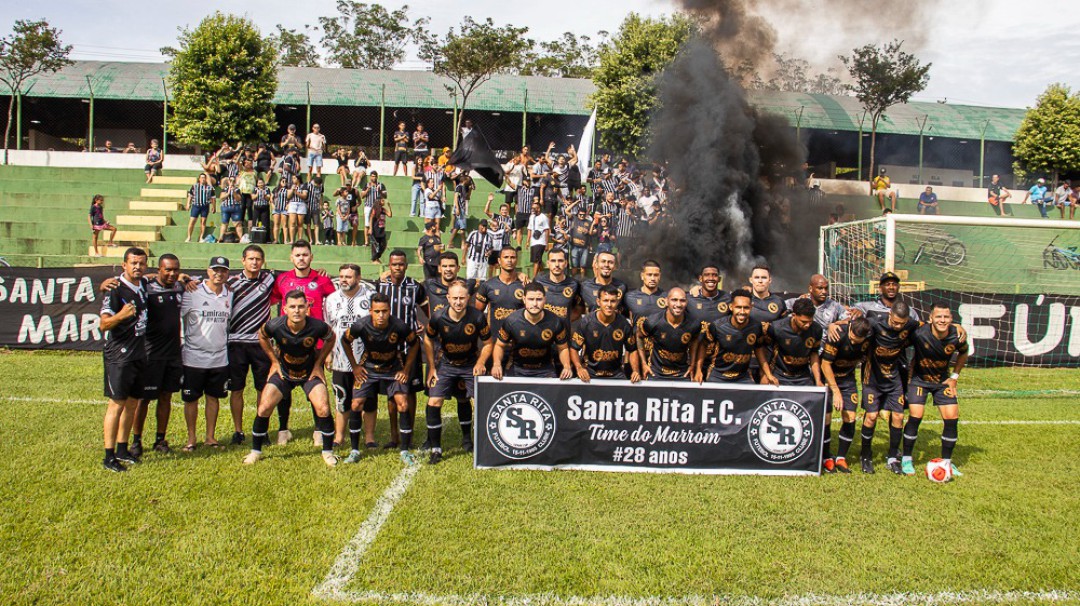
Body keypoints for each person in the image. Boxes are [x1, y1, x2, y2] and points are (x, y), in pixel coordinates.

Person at [245, 291, 338, 467]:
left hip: (309, 373)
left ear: (307, 308)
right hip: (284, 374)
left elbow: (331, 337)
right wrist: (274, 361)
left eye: (301, 306)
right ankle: (255, 451)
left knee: (323, 408)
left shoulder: (317, 326)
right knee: (264, 407)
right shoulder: (275, 325)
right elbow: (262, 336)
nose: (297, 311)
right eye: (293, 307)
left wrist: (318, 364)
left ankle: (327, 452)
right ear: (285, 308)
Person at [341, 293, 421, 464]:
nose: (381, 315)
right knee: (356, 403)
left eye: (384, 311)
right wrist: (355, 367)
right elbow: (345, 341)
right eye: (377, 311)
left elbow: (415, 343)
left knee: (403, 403)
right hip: (368, 368)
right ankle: (354, 450)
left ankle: (405, 451)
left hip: (393, 368)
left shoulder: (399, 325)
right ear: (370, 311)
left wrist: (406, 370)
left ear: (389, 311)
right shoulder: (360, 325)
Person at [270, 241, 337, 444]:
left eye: (305, 255)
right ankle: (283, 429)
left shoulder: (322, 280)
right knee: (284, 387)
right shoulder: (282, 280)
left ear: (311, 257)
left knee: (315, 388)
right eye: (297, 255)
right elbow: (270, 302)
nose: (301, 258)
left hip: (314, 346)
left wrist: (329, 350)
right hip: (287, 345)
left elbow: (334, 307)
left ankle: (318, 429)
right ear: (291, 257)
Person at [423, 281, 493, 462]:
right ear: (448, 298)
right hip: (446, 364)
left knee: (478, 401)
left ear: (468, 298)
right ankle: (436, 448)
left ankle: (473, 441)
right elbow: (428, 340)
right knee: (434, 401)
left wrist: (481, 362)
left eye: (462, 298)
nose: (458, 302)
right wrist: (431, 367)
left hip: (470, 364)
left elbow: (488, 343)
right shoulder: (438, 317)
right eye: (454, 298)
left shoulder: (477, 317)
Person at [901, 302, 969, 476]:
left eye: (946, 317)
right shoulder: (919, 333)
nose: (942, 320)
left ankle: (947, 462)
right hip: (919, 380)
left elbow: (964, 352)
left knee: (952, 416)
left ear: (952, 319)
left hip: (942, 381)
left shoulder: (957, 335)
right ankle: (906, 458)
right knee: (916, 415)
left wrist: (954, 377)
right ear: (931, 318)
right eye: (938, 316)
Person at [99, 247, 149, 471]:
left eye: (141, 263)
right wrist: (121, 315)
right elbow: (104, 324)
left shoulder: (143, 285)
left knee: (132, 403)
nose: (137, 267)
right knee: (117, 403)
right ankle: (109, 456)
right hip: (119, 353)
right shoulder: (115, 289)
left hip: (138, 351)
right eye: (133, 263)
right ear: (124, 265)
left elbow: (156, 277)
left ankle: (122, 448)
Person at [179, 257, 232, 451]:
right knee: (191, 399)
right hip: (194, 357)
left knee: (213, 397)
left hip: (219, 357)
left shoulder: (229, 293)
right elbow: (179, 318)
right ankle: (191, 438)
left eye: (223, 270)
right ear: (207, 271)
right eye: (215, 270)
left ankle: (210, 437)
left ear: (227, 273)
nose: (219, 274)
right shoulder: (192, 291)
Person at [226, 245, 276, 446]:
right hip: (236, 343)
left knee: (262, 389)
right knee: (236, 389)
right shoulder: (231, 284)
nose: (254, 262)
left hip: (260, 344)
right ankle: (238, 431)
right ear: (243, 261)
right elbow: (204, 283)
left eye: (258, 259)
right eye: (250, 259)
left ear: (263, 261)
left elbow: (294, 275)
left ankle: (260, 430)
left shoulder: (269, 279)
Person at [377, 251, 428, 450]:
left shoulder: (415, 287)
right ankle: (394, 435)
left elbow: (427, 312)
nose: (397, 267)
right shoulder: (380, 286)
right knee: (391, 393)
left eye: (401, 264)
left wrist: (422, 325)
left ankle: (410, 432)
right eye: (394, 264)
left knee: (410, 390)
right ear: (389, 265)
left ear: (406, 266)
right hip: (387, 350)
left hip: (410, 348)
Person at [325, 264, 376, 447]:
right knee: (342, 398)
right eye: (341, 276)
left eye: (348, 276)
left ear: (359, 277)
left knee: (368, 400)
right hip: (340, 359)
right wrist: (328, 354)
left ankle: (369, 437)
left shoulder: (370, 297)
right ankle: (339, 437)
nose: (344, 280)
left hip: (365, 359)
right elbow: (329, 329)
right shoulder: (331, 299)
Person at [820, 315, 873, 474]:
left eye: (858, 340)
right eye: (852, 338)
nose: (854, 342)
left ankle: (841, 458)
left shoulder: (869, 335)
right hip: (828, 379)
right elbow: (825, 364)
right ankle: (826, 457)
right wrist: (835, 390)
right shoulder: (838, 334)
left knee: (850, 417)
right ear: (849, 329)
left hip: (848, 379)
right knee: (827, 417)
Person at [491, 283, 572, 380]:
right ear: (524, 299)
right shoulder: (511, 321)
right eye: (531, 299)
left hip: (545, 370)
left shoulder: (556, 322)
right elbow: (499, 345)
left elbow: (563, 348)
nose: (535, 304)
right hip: (517, 369)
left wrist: (567, 367)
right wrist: (496, 364)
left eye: (539, 299)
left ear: (545, 300)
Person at [697, 288, 768, 385]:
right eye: (738, 307)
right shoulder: (717, 326)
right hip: (718, 375)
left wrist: (767, 374)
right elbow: (703, 345)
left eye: (746, 308)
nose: (742, 312)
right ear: (731, 307)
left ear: (751, 307)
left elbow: (759, 349)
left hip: (743, 376)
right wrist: (698, 370)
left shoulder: (756, 326)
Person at [571, 284, 641, 382]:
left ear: (617, 302)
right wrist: (579, 368)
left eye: (612, 301)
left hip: (616, 374)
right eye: (605, 300)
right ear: (598, 302)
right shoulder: (586, 322)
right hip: (590, 374)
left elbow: (632, 350)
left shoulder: (624, 324)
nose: (609, 305)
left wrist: (635, 371)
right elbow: (574, 349)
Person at [637, 287, 701, 381]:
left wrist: (692, 364)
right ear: (666, 302)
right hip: (656, 373)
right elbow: (639, 336)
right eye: (674, 300)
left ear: (686, 303)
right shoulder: (652, 322)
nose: (678, 304)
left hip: (682, 374)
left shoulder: (694, 324)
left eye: (682, 300)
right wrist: (643, 364)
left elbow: (695, 340)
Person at [762, 298, 823, 389]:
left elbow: (814, 354)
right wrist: (766, 374)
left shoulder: (816, 329)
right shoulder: (777, 328)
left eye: (810, 321)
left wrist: (818, 380)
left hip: (803, 377)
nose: (807, 325)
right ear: (794, 315)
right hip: (780, 376)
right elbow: (764, 351)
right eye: (804, 322)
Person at [474, 247, 525, 348]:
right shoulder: (488, 286)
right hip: (494, 342)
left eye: (513, 257)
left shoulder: (525, 285)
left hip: (518, 342)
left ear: (516, 260)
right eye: (506, 257)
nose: (509, 260)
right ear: (499, 260)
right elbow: (476, 314)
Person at [533, 248, 580, 327]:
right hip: (541, 333)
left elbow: (579, 309)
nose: (557, 264)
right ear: (548, 263)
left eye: (560, 261)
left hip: (563, 335)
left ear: (566, 263)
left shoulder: (574, 284)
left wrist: (563, 323)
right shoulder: (538, 281)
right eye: (553, 261)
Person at [580, 251, 628, 315]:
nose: (606, 265)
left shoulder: (622, 287)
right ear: (596, 264)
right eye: (603, 261)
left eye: (610, 262)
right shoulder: (585, 287)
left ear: (615, 266)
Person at [185, 173, 215, 243]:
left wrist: (214, 207)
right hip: (196, 205)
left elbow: (213, 198)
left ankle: (201, 237)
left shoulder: (209, 188)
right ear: (199, 179)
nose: (203, 179)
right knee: (192, 221)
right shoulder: (194, 186)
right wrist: (188, 204)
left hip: (205, 206)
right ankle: (189, 236)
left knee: (203, 222)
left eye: (204, 178)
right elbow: (190, 195)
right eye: (201, 178)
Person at [360, 171, 387, 248]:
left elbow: (385, 196)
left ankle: (375, 241)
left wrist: (380, 191)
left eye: (374, 176)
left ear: (377, 177)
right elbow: (362, 196)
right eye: (372, 176)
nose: (373, 178)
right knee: (367, 224)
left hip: (377, 207)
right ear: (370, 177)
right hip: (368, 206)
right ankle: (366, 242)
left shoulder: (381, 185)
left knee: (377, 224)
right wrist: (367, 190)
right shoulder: (367, 185)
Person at [526, 200, 550, 277]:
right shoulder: (531, 217)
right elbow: (529, 229)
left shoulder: (544, 217)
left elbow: (547, 230)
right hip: (533, 242)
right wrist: (527, 241)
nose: (533, 209)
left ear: (539, 208)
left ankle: (534, 278)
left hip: (541, 242)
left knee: (536, 261)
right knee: (537, 260)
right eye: (532, 208)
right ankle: (544, 276)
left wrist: (546, 243)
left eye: (534, 208)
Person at [449, 175, 473, 249]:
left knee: (457, 227)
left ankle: (450, 242)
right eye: (468, 180)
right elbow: (456, 198)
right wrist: (457, 209)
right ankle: (464, 243)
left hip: (463, 208)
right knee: (462, 228)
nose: (469, 182)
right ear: (464, 180)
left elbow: (467, 198)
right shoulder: (459, 187)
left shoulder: (464, 188)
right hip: (460, 209)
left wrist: (470, 190)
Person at [218, 177, 243, 242]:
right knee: (224, 223)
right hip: (226, 207)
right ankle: (221, 238)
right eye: (230, 180)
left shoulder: (237, 190)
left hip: (235, 208)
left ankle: (240, 238)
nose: (232, 182)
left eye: (233, 181)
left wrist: (233, 192)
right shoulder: (224, 189)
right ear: (228, 181)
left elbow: (239, 199)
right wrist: (228, 193)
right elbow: (221, 197)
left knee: (238, 224)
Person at [369, 195, 391, 262]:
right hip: (376, 229)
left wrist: (389, 206)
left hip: (382, 230)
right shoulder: (375, 209)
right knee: (375, 245)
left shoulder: (383, 210)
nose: (383, 201)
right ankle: (374, 259)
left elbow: (390, 215)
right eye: (382, 200)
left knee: (383, 245)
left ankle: (377, 257)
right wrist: (370, 228)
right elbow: (371, 219)